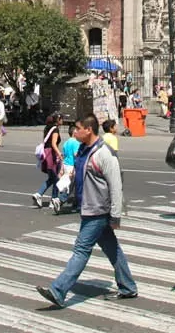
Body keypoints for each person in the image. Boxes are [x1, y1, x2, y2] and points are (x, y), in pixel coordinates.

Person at [36, 113, 135, 307]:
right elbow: (78, 175)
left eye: (78, 128)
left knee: (81, 249)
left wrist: (116, 215)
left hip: (98, 210)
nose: (74, 131)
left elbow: (116, 186)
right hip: (88, 206)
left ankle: (58, 290)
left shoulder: (104, 153)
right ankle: (128, 286)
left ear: (88, 130)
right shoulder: (83, 150)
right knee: (112, 249)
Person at [32, 113, 64, 207]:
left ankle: (40, 195)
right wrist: (59, 154)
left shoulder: (47, 128)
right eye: (61, 119)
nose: (62, 120)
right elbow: (54, 144)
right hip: (51, 155)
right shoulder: (55, 129)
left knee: (52, 178)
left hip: (46, 154)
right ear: (58, 120)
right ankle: (53, 199)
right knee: (56, 178)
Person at [53, 125, 84, 213]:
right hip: (72, 166)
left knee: (71, 185)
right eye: (77, 131)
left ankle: (76, 203)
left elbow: (64, 157)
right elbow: (76, 155)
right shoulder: (76, 143)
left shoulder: (66, 143)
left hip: (66, 166)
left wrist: (62, 169)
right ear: (74, 133)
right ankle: (60, 200)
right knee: (70, 186)